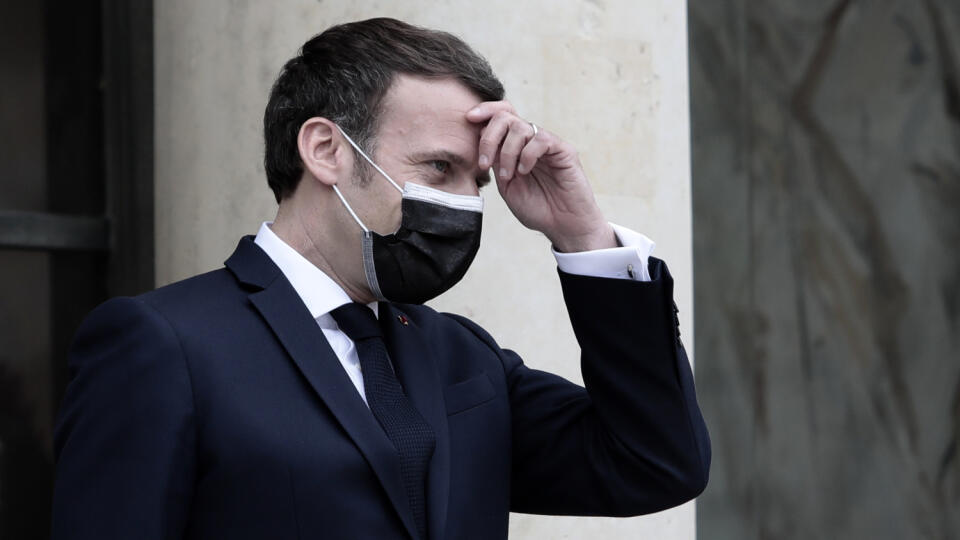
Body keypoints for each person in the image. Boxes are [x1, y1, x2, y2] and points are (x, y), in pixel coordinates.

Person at [50, 17, 710, 540]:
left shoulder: (463, 360)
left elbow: (655, 462)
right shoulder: (165, 344)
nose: (466, 203)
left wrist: (584, 237)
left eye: (476, 182)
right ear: (326, 150)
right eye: (439, 169)